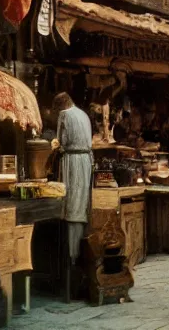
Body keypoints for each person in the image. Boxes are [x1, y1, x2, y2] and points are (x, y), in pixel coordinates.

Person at [51, 93, 93, 265]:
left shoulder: (65, 115)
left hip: (73, 162)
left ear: (61, 106)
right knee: (81, 203)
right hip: (86, 161)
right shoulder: (83, 114)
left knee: (72, 205)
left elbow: (61, 141)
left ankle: (71, 257)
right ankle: (79, 254)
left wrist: (55, 149)